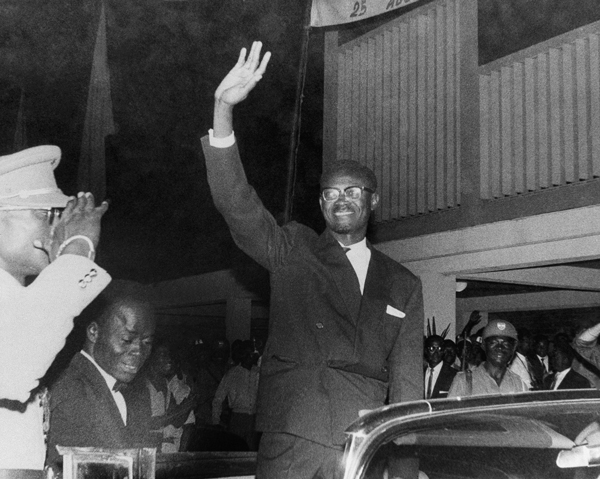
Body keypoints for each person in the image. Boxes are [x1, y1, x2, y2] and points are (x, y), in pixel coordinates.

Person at [201, 41, 424, 479]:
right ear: (321, 206)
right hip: (293, 437)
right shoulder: (294, 250)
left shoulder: (403, 283)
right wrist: (222, 110)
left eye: (352, 191)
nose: (341, 200)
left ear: (373, 201)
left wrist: (404, 464)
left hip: (362, 442)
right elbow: (236, 204)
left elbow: (407, 385)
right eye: (330, 193)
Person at [0, 145, 111, 475]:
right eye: (44, 214)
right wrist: (76, 252)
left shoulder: (22, 301)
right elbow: (14, 367)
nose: (56, 228)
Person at [46, 290, 156, 471]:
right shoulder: (71, 391)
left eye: (147, 342)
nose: (138, 350)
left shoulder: (124, 388)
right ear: (94, 332)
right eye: (127, 339)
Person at [448, 319, 527, 398]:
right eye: (493, 342)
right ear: (483, 345)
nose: (499, 347)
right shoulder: (465, 381)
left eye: (506, 343)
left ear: (513, 348)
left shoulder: (519, 384)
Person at [144, 342, 197, 453]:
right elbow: (148, 424)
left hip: (168, 450)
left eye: (169, 355)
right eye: (163, 355)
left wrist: (187, 406)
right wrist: (182, 409)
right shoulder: (143, 386)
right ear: (150, 357)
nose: (169, 359)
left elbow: (178, 422)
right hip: (150, 450)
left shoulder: (165, 385)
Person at [212, 340, 260, 450]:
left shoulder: (258, 372)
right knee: (237, 449)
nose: (250, 356)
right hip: (238, 418)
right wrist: (216, 420)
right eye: (247, 353)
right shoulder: (232, 373)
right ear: (242, 355)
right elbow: (218, 398)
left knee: (252, 452)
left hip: (254, 419)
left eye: (252, 353)